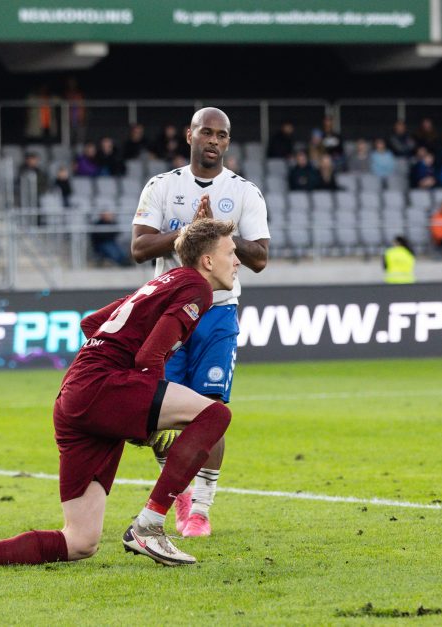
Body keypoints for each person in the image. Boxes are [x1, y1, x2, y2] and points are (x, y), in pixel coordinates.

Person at [0, 218, 238, 570]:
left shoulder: (160, 282)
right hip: (102, 384)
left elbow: (91, 323)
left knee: (80, 541)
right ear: (208, 261)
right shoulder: (197, 287)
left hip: (76, 394)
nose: (237, 261)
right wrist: (146, 412)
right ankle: (149, 525)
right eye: (231, 252)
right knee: (215, 414)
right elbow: (149, 356)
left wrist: (133, 413)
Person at [130, 107, 270, 537]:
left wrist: (218, 231)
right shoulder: (162, 186)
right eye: (206, 132)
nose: (213, 140)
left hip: (218, 311)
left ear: (228, 142)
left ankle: (201, 510)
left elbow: (261, 258)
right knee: (157, 415)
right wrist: (188, 233)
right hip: (169, 310)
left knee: (211, 410)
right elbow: (139, 248)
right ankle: (180, 494)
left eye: (221, 135)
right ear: (190, 134)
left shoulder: (245, 193)